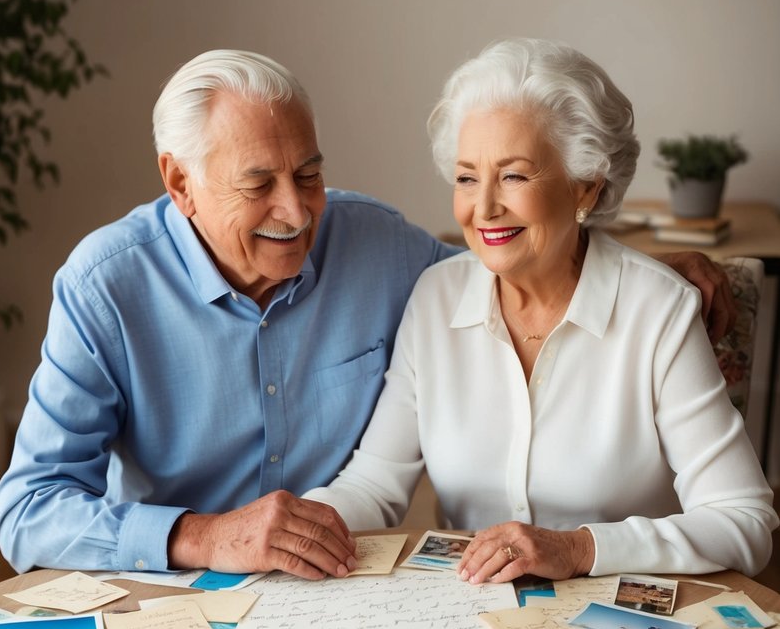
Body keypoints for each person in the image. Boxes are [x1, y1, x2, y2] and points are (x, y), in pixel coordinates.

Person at [0, 47, 739, 578]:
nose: (295, 211)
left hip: (346, 583)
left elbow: (516, 260)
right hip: (172, 583)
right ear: (179, 183)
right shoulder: (105, 285)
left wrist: (639, 274)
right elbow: (28, 509)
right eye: (258, 184)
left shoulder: (385, 251)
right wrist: (208, 537)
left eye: (310, 173)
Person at [303, 38, 776, 582]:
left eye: (514, 175)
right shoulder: (435, 297)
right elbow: (374, 483)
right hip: (471, 617)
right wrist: (303, 528)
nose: (483, 208)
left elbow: (743, 520)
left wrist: (577, 550)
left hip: (621, 619)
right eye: (466, 177)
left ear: (586, 189)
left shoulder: (658, 310)